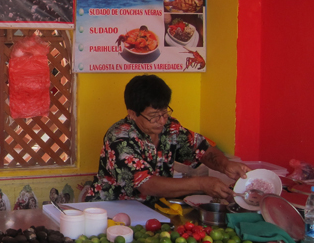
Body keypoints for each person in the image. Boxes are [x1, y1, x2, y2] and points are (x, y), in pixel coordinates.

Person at [85, 74, 250, 204]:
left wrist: (226, 165)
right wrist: (201, 184)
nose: (162, 120)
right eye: (154, 116)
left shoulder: (170, 128)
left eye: (164, 113)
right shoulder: (120, 138)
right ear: (132, 113)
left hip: (153, 210)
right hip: (112, 208)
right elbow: (146, 184)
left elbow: (202, 149)